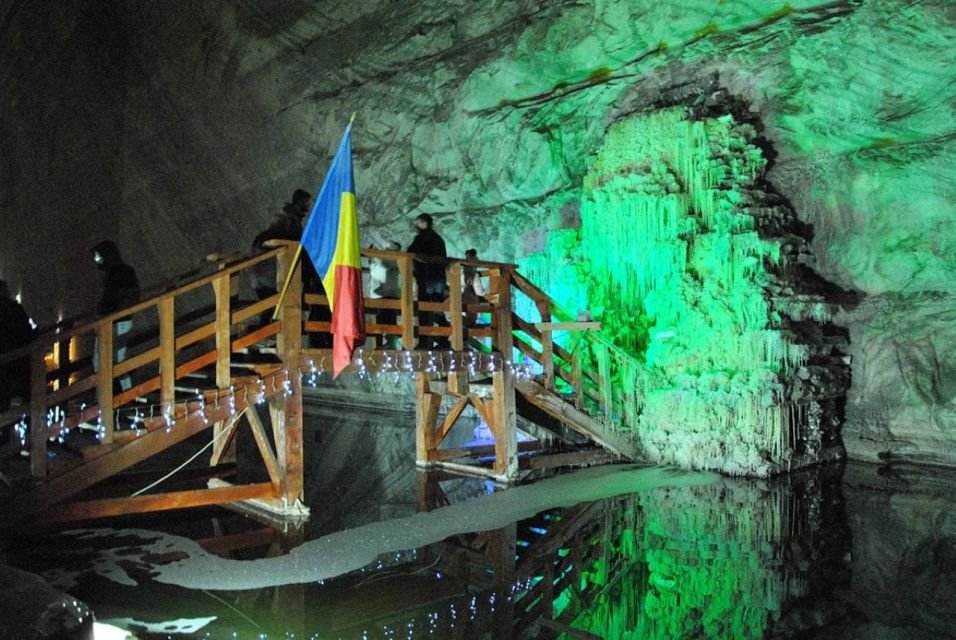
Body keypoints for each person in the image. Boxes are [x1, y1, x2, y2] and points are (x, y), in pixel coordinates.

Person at [250, 188, 332, 348]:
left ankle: (266, 336)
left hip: (267, 271)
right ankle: (264, 336)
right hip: (270, 271)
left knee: (274, 303)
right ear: (298, 203)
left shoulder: (290, 221)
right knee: (275, 302)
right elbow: (287, 241)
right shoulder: (287, 221)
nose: (307, 208)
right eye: (305, 204)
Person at [91, 240, 140, 391]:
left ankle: (123, 394)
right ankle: (121, 393)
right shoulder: (120, 271)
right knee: (110, 360)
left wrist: (103, 311)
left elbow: (114, 297)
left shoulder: (118, 273)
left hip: (117, 320)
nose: (97, 261)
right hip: (116, 320)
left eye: (99, 257)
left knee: (111, 360)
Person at [407, 213, 448, 349]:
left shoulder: (422, 238)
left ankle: (425, 342)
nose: (415, 225)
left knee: (424, 310)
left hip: (426, 278)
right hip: (438, 278)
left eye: (417, 222)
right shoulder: (438, 239)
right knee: (438, 308)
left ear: (424, 223)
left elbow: (411, 252)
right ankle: (443, 340)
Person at [0, 280, 35, 411]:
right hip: (17, 363)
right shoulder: (14, 309)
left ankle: (5, 427)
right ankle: (31, 422)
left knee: (3, 401)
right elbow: (27, 333)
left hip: (5, 364)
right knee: (28, 393)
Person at [368, 241, 401, 348]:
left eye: (390, 249)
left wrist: (375, 255)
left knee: (389, 320)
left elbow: (384, 266)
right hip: (385, 293)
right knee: (382, 318)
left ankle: (390, 343)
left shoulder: (394, 261)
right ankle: (382, 344)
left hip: (390, 294)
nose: (386, 250)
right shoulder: (388, 261)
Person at [461, 248, 486, 327]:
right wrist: (485, 293)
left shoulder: (459, 271)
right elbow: (479, 292)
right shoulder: (473, 275)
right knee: (471, 320)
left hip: (458, 302)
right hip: (470, 303)